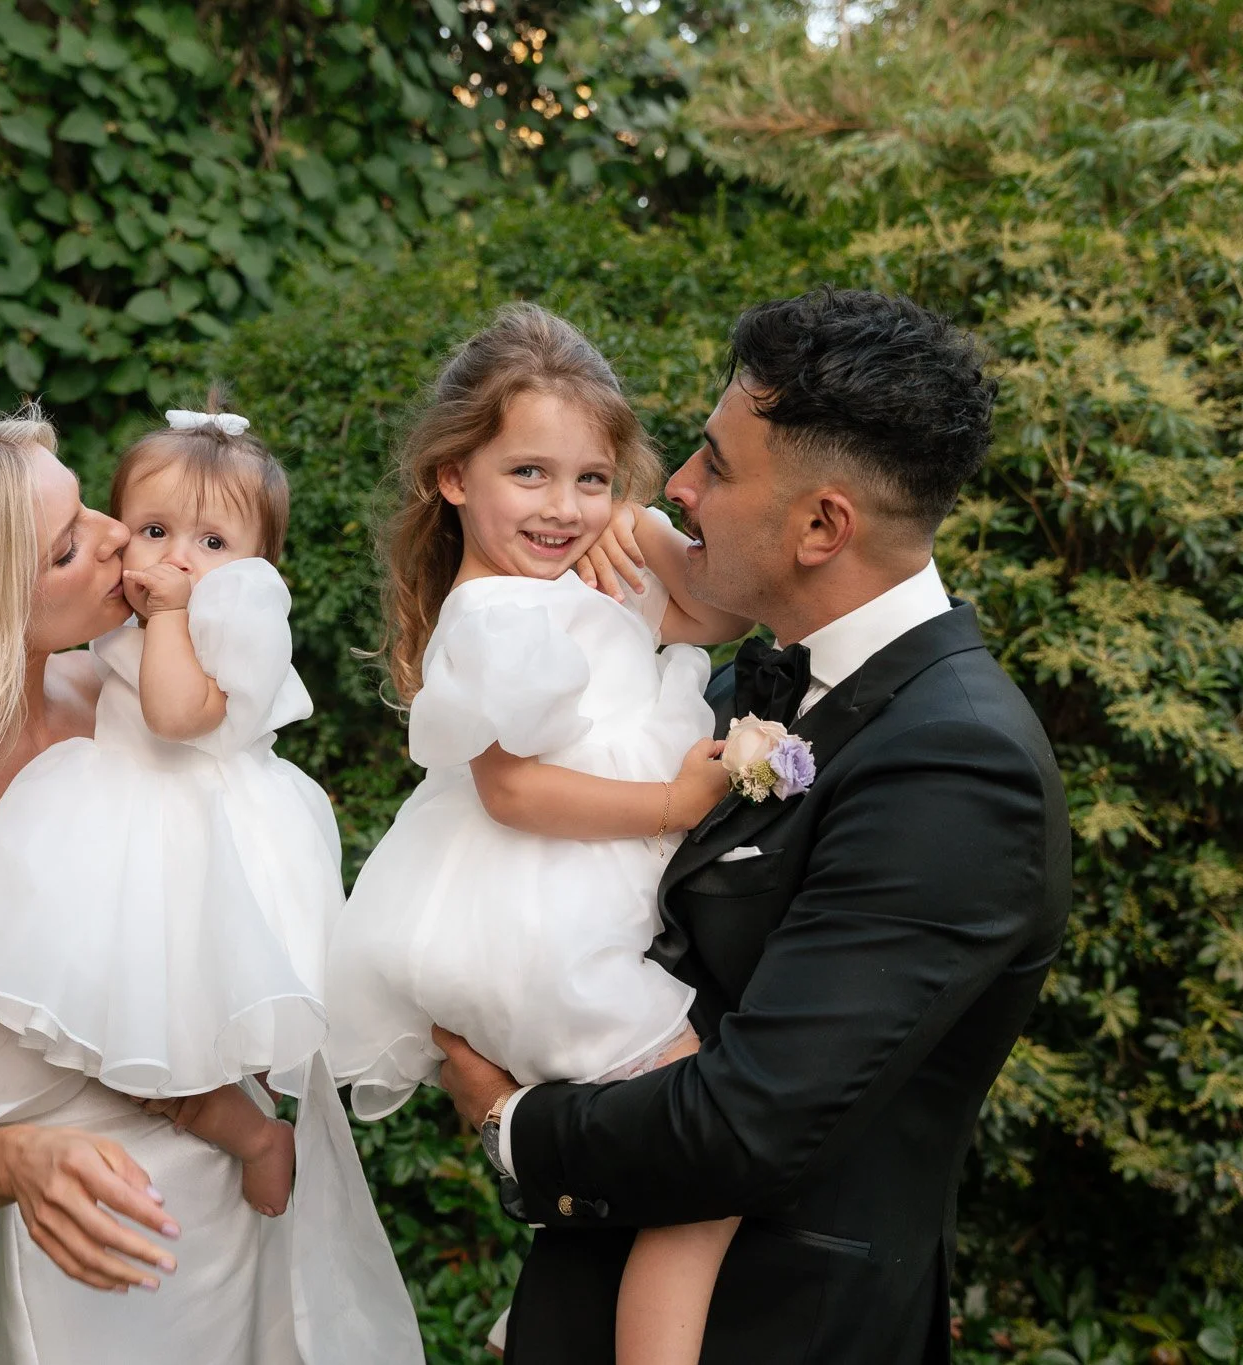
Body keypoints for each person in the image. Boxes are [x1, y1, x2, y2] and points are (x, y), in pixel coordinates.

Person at [433, 287, 1073, 1365]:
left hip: (770, 1331)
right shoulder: (750, 684)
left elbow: (751, 1120)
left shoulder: (958, 765)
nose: (675, 487)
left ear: (823, 526)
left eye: (716, 468)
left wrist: (512, 1126)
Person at [0, 406, 415, 1365]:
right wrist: (23, 1157)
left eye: (89, 506)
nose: (123, 536)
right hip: (105, 1249)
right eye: (73, 544)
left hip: (249, 1196)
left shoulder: (126, 710)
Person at [324, 303, 754, 1365]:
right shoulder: (490, 620)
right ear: (451, 476)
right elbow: (512, 792)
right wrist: (668, 807)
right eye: (529, 475)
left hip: (562, 913)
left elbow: (714, 612)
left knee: (659, 1158)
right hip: (535, 934)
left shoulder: (564, 584)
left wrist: (643, 529)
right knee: (708, 1167)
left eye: (591, 480)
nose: (563, 509)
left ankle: (562, 1306)